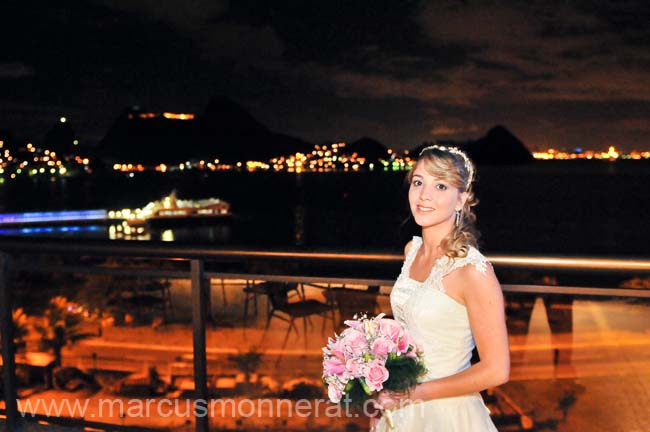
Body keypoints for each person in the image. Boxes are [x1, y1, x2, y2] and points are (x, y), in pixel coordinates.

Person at [370, 145, 510, 431]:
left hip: (447, 415)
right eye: (418, 182)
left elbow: (497, 369)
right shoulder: (412, 250)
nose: (424, 196)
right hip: (399, 408)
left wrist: (414, 394)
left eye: (441, 185)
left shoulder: (473, 272)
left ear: (461, 199)